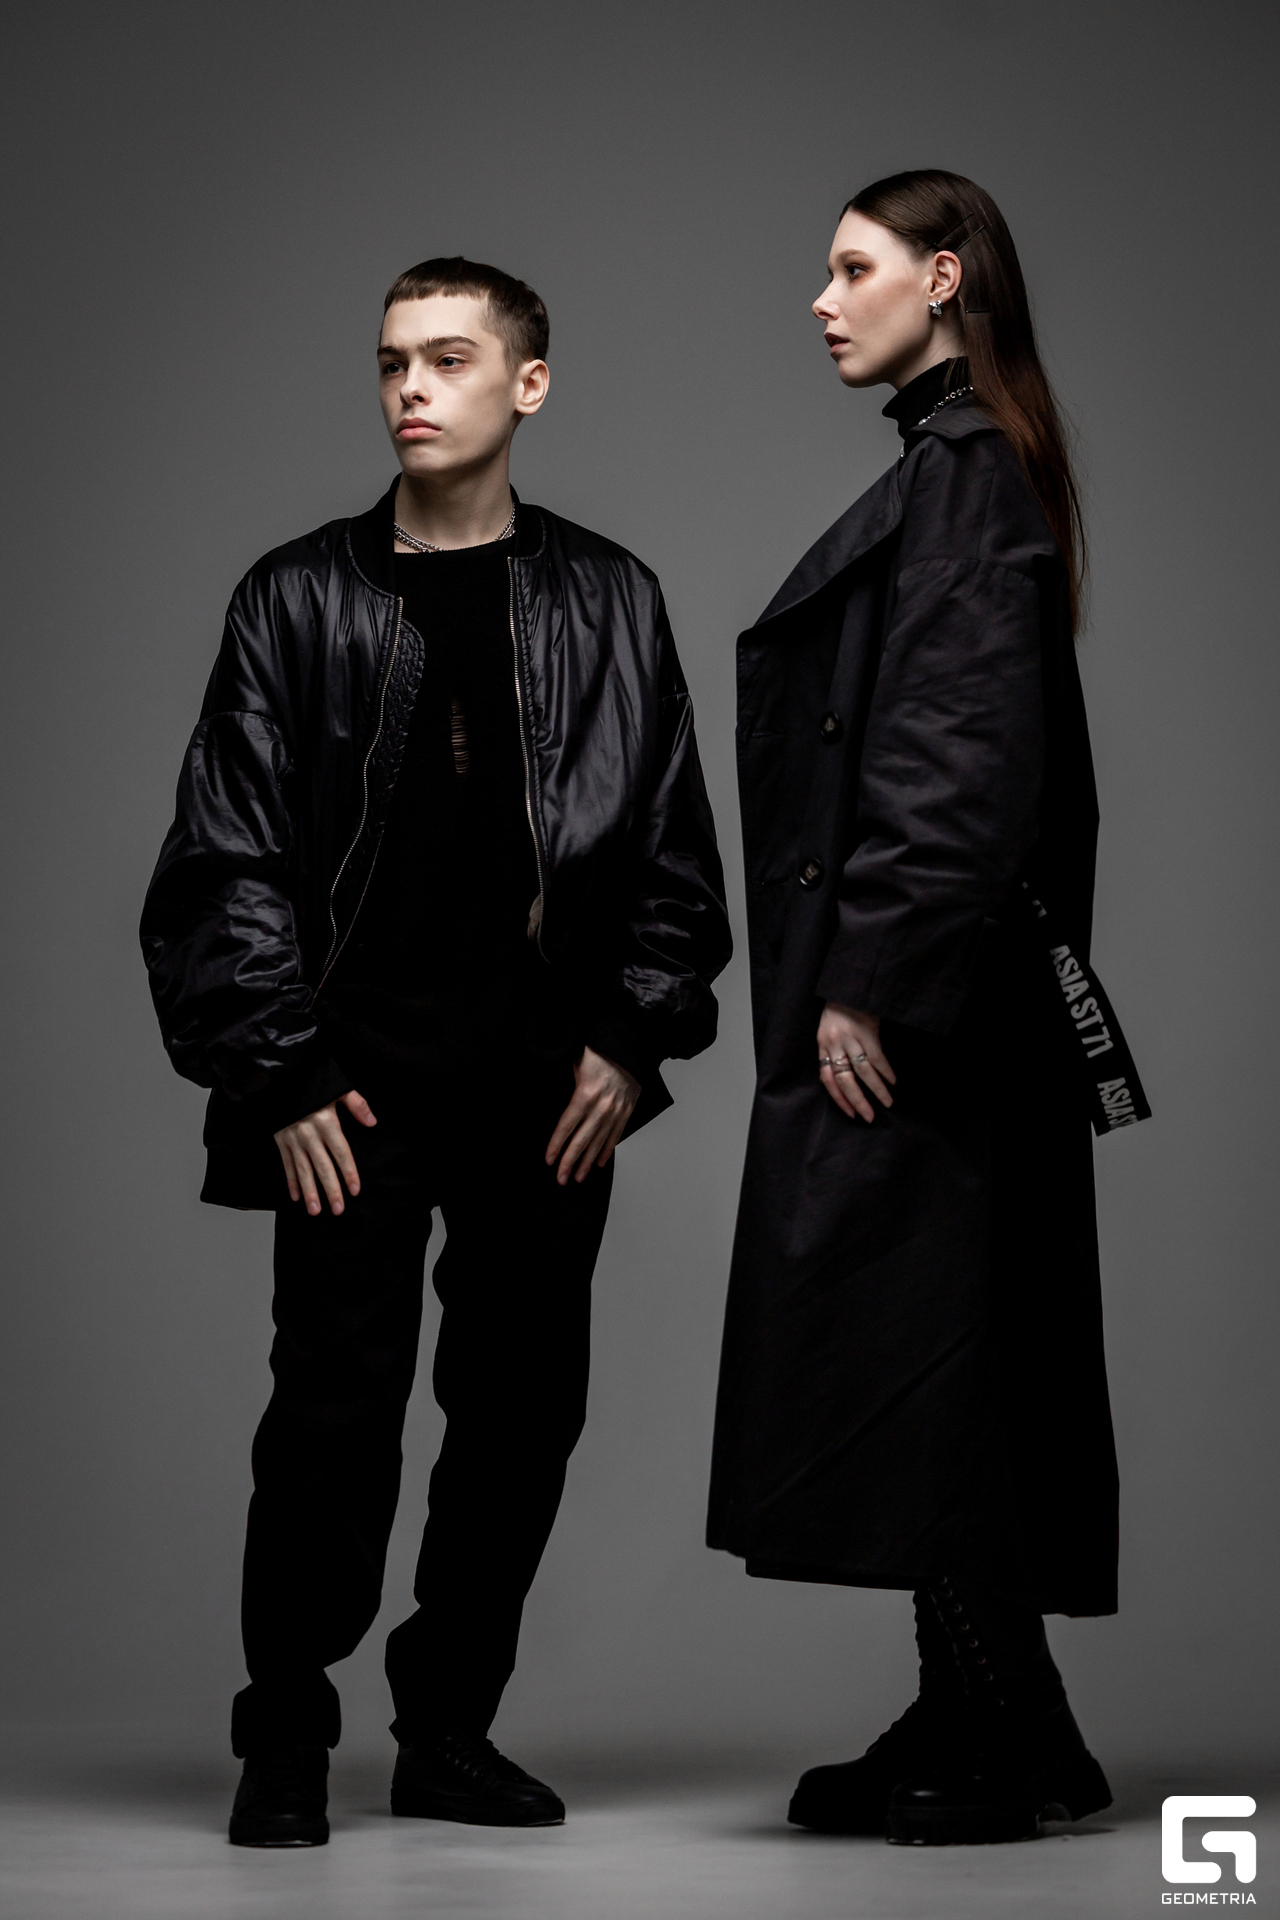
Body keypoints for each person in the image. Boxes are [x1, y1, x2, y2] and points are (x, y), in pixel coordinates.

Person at [141, 256, 730, 1848]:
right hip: (349, 1091)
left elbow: (672, 851)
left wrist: (631, 1038)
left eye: (451, 358)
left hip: (546, 1093)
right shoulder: (294, 596)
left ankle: (447, 1731)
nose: (412, 385)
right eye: (394, 359)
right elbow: (224, 855)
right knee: (329, 1420)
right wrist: (276, 1070)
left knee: (520, 1419)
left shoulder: (611, 597)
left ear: (527, 385)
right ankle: (285, 1733)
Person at [706, 171, 1121, 1847]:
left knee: (936, 1357)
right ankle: (995, 1707)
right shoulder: (964, 466)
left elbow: (958, 756)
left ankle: (1000, 1724)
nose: (823, 300)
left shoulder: (966, 476)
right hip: (953, 996)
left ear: (943, 280)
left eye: (853, 268)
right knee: (935, 1352)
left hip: (929, 1005)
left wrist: (867, 982)